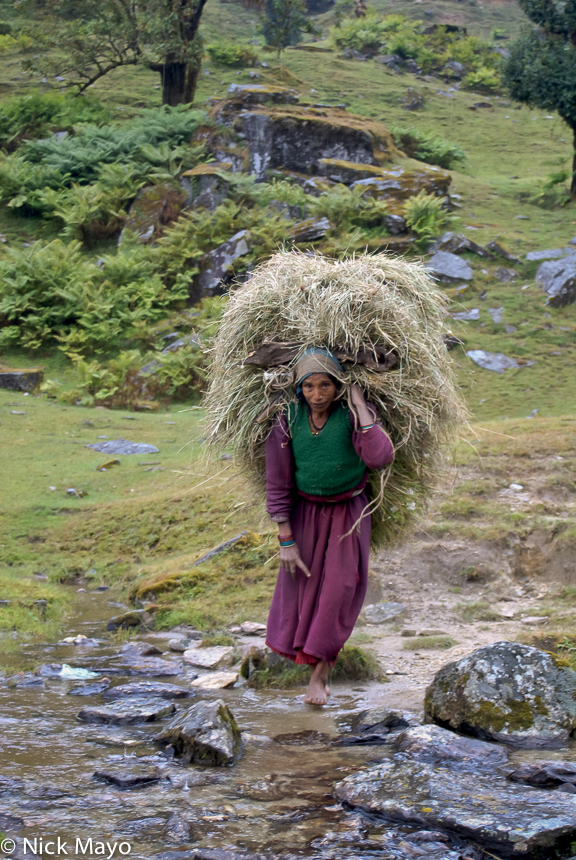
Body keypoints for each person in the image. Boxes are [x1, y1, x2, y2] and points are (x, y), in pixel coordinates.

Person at [264, 348, 395, 706]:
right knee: (302, 591)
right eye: (309, 386)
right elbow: (277, 483)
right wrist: (286, 540)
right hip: (304, 513)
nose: (318, 394)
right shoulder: (285, 419)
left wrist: (358, 402)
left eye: (326, 385)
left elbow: (379, 458)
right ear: (298, 389)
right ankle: (311, 668)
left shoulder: (351, 415)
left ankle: (321, 673)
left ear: (337, 387)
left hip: (349, 514)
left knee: (340, 588)